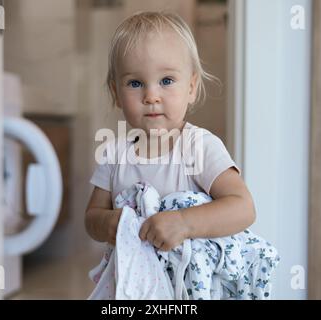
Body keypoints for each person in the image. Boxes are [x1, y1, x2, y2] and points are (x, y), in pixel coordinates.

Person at [85, 12, 269, 299]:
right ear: (116, 93)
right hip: (133, 283)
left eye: (167, 80)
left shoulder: (198, 146)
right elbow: (92, 216)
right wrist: (107, 224)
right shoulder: (114, 153)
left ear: (192, 87)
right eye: (135, 83)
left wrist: (184, 222)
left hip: (190, 288)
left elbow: (243, 208)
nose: (151, 96)